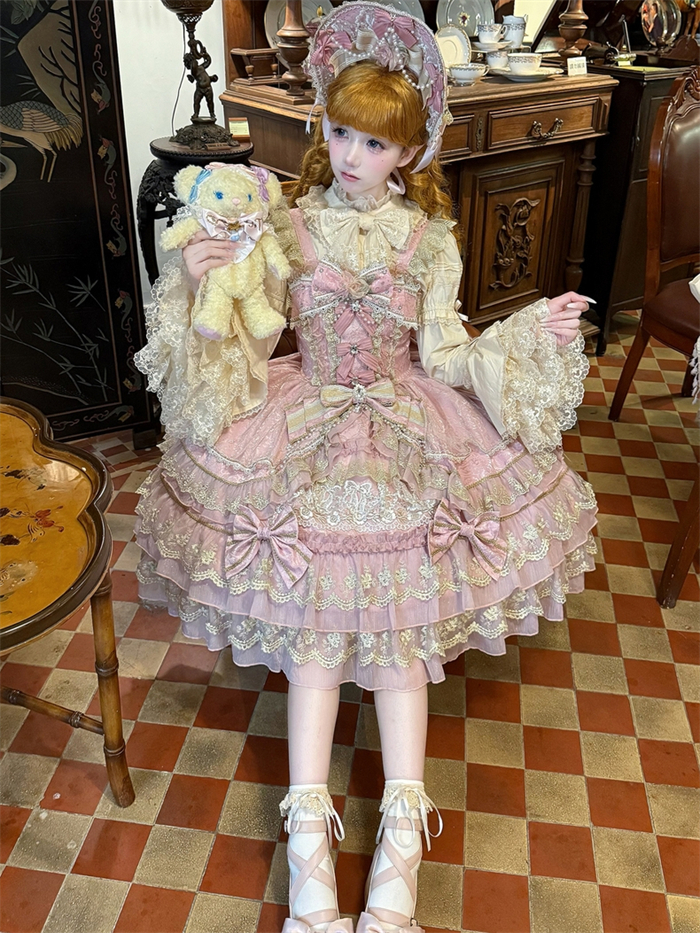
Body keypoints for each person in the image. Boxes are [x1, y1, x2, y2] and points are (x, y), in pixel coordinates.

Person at [134, 4, 598, 931]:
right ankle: (309, 844)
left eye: (375, 143)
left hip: (404, 428)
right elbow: (244, 329)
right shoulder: (288, 222)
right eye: (341, 132)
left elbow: (447, 352)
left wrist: (527, 333)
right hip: (301, 420)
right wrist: (198, 277)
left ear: (410, 151)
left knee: (398, 639)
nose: (351, 156)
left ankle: (400, 846)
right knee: (313, 636)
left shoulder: (430, 238)